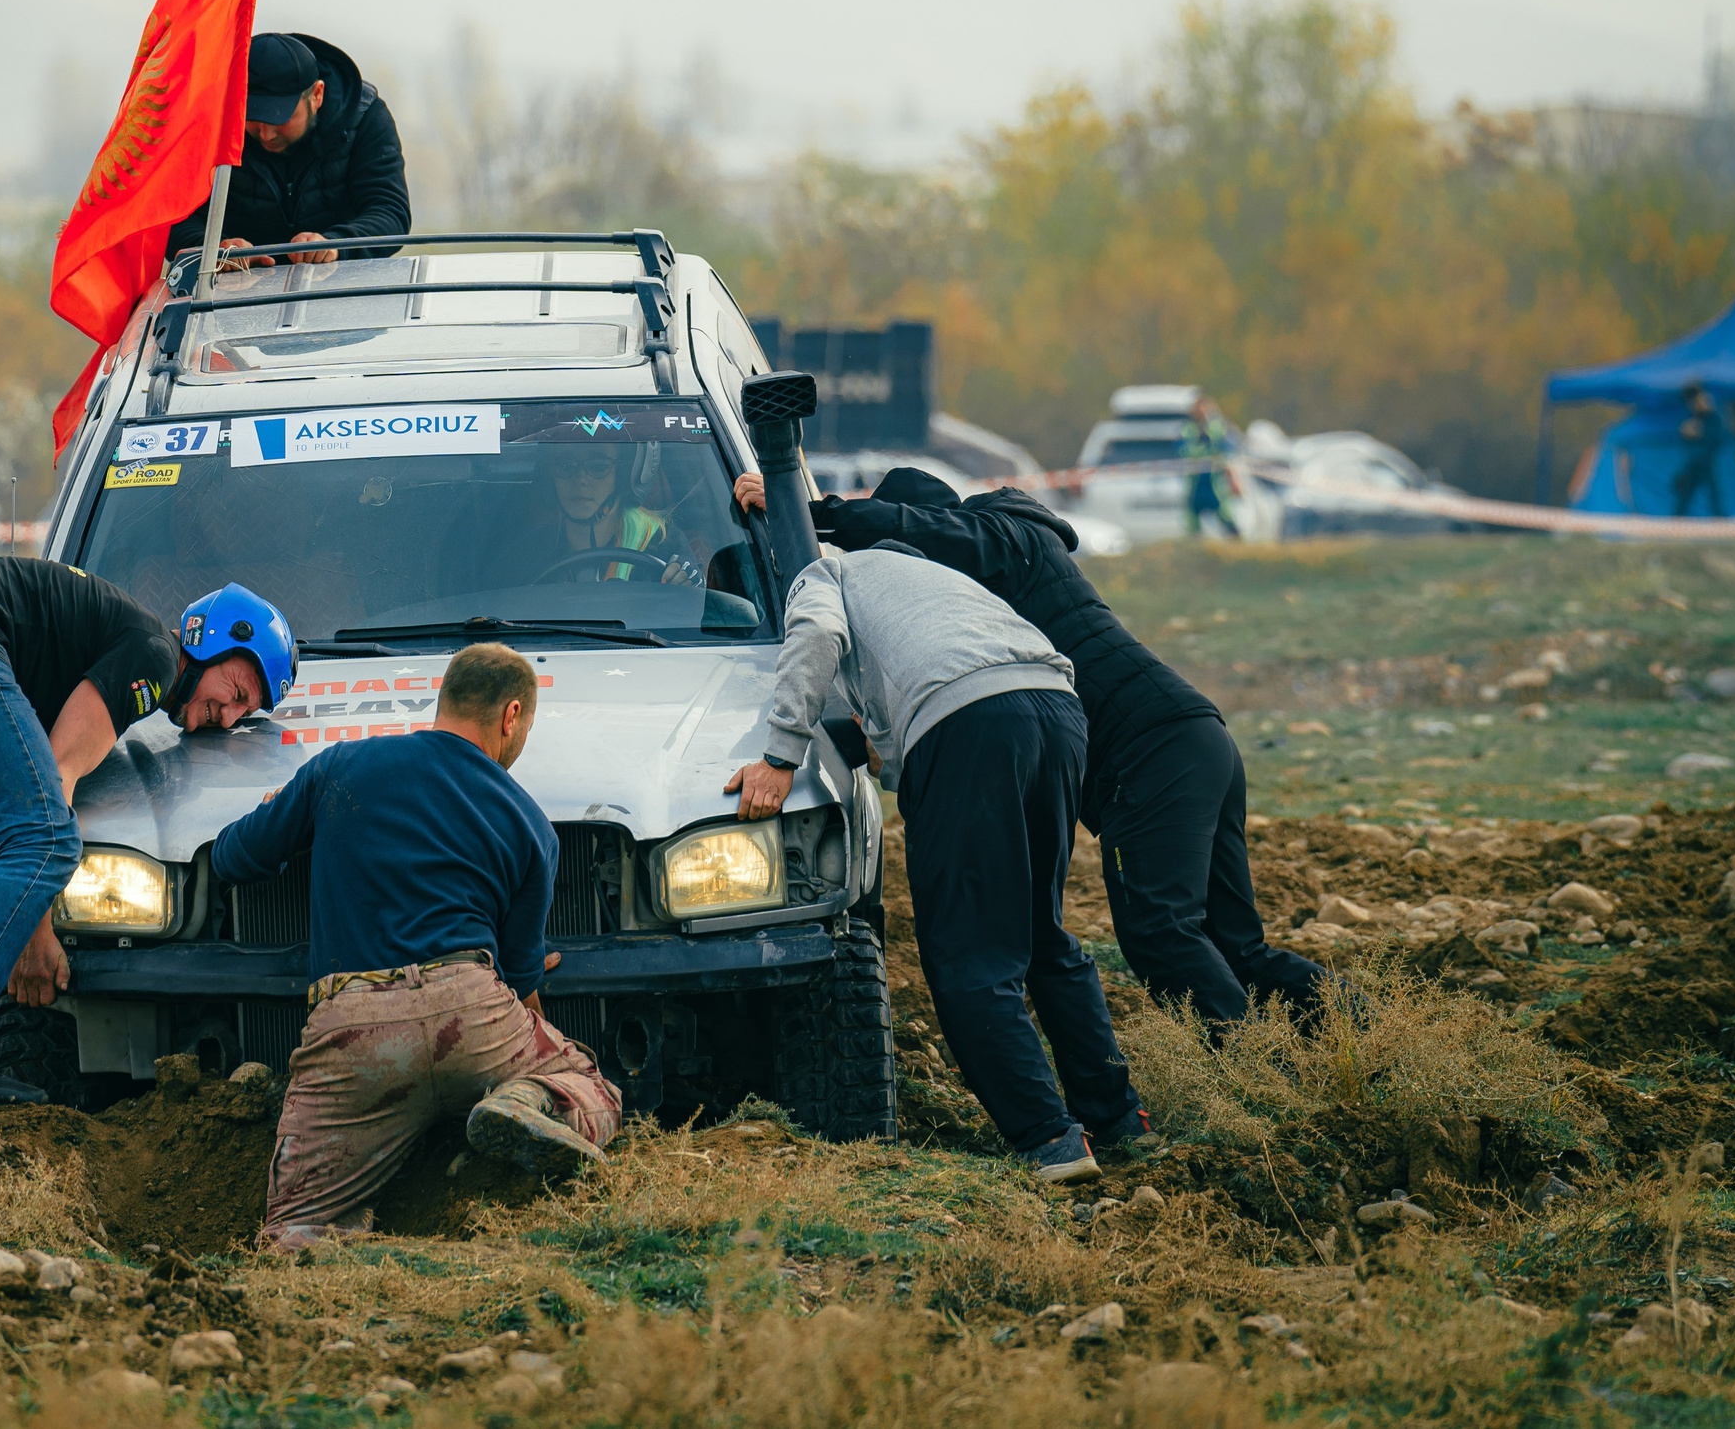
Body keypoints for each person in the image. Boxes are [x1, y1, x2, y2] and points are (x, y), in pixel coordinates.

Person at [736, 466, 1325, 1049]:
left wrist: (810, 513)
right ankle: (1367, 1038)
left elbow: (919, 530)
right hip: (1191, 734)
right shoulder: (1011, 559)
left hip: (1146, 756)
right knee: (1235, 944)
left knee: (1160, 934)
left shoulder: (1006, 537)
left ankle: (1261, 1078)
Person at [726, 544, 1141, 1184]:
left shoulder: (818, 574)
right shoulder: (913, 576)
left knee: (970, 955)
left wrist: (781, 756)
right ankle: (1118, 1122)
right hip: (1056, 708)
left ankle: (1050, 1141)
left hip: (971, 722)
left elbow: (816, 634)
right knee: (1042, 936)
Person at [210, 642, 619, 1249]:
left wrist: (276, 811)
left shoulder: (338, 768)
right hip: (473, 1011)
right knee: (590, 1084)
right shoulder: (529, 821)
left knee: (295, 1228)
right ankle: (528, 1102)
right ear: (510, 716)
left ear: (445, 701)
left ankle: (311, 1258)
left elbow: (232, 859)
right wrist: (530, 1050)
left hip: (355, 1025)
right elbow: (522, 983)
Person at [0, 559, 295, 1103]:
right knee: (51, 840)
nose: (228, 718)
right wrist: (33, 933)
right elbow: (53, 788)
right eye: (240, 692)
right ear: (214, 641)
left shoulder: (79, 654)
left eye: (245, 715)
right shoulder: (155, 655)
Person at [168, 32, 410, 269]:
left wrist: (335, 244)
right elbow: (172, 219)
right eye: (251, 118)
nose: (266, 134)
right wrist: (214, 249)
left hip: (341, 287)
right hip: (230, 291)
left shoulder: (366, 118)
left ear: (317, 94)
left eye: (279, 118)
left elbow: (390, 211)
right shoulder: (210, 123)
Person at [489, 444, 704, 587]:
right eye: (565, 466)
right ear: (550, 477)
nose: (581, 479)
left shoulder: (662, 542)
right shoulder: (526, 554)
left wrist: (687, 583)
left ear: (622, 475)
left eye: (599, 466)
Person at [1180, 397, 1242, 538]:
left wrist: (1233, 479)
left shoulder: (1219, 428)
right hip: (1196, 483)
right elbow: (1182, 450)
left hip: (1215, 483)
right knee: (1192, 521)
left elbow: (1230, 452)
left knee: (1226, 516)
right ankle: (1193, 550)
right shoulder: (1188, 430)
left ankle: (1237, 544)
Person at [1673, 383, 1727, 518]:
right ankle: (1676, 520)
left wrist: (1701, 432)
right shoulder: (1690, 416)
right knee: (1685, 494)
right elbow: (1685, 437)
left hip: (1708, 461)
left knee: (1714, 495)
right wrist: (1687, 433)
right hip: (1693, 462)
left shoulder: (1713, 418)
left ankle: (1720, 521)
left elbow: (1717, 438)